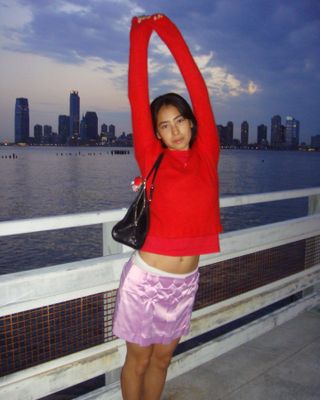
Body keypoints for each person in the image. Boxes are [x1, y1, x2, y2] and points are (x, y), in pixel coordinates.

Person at [112, 13, 222, 400]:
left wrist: (170, 31)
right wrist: (141, 33)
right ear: (155, 132)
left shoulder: (208, 154)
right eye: (164, 125)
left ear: (192, 124)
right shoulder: (151, 157)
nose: (174, 130)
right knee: (138, 361)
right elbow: (137, 94)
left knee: (162, 362)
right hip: (146, 282)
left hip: (185, 282)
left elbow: (198, 86)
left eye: (180, 121)